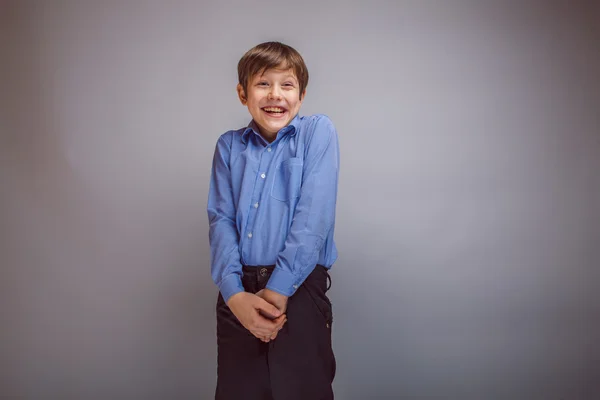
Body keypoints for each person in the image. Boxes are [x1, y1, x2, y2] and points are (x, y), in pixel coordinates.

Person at [207, 41, 340, 400]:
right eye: (263, 83)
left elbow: (314, 217)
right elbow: (220, 221)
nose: (275, 95)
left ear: (302, 94)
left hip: (299, 289)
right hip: (240, 292)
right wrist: (234, 296)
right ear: (242, 93)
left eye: (287, 85)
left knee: (303, 390)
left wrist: (279, 289)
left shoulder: (317, 133)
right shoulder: (229, 147)